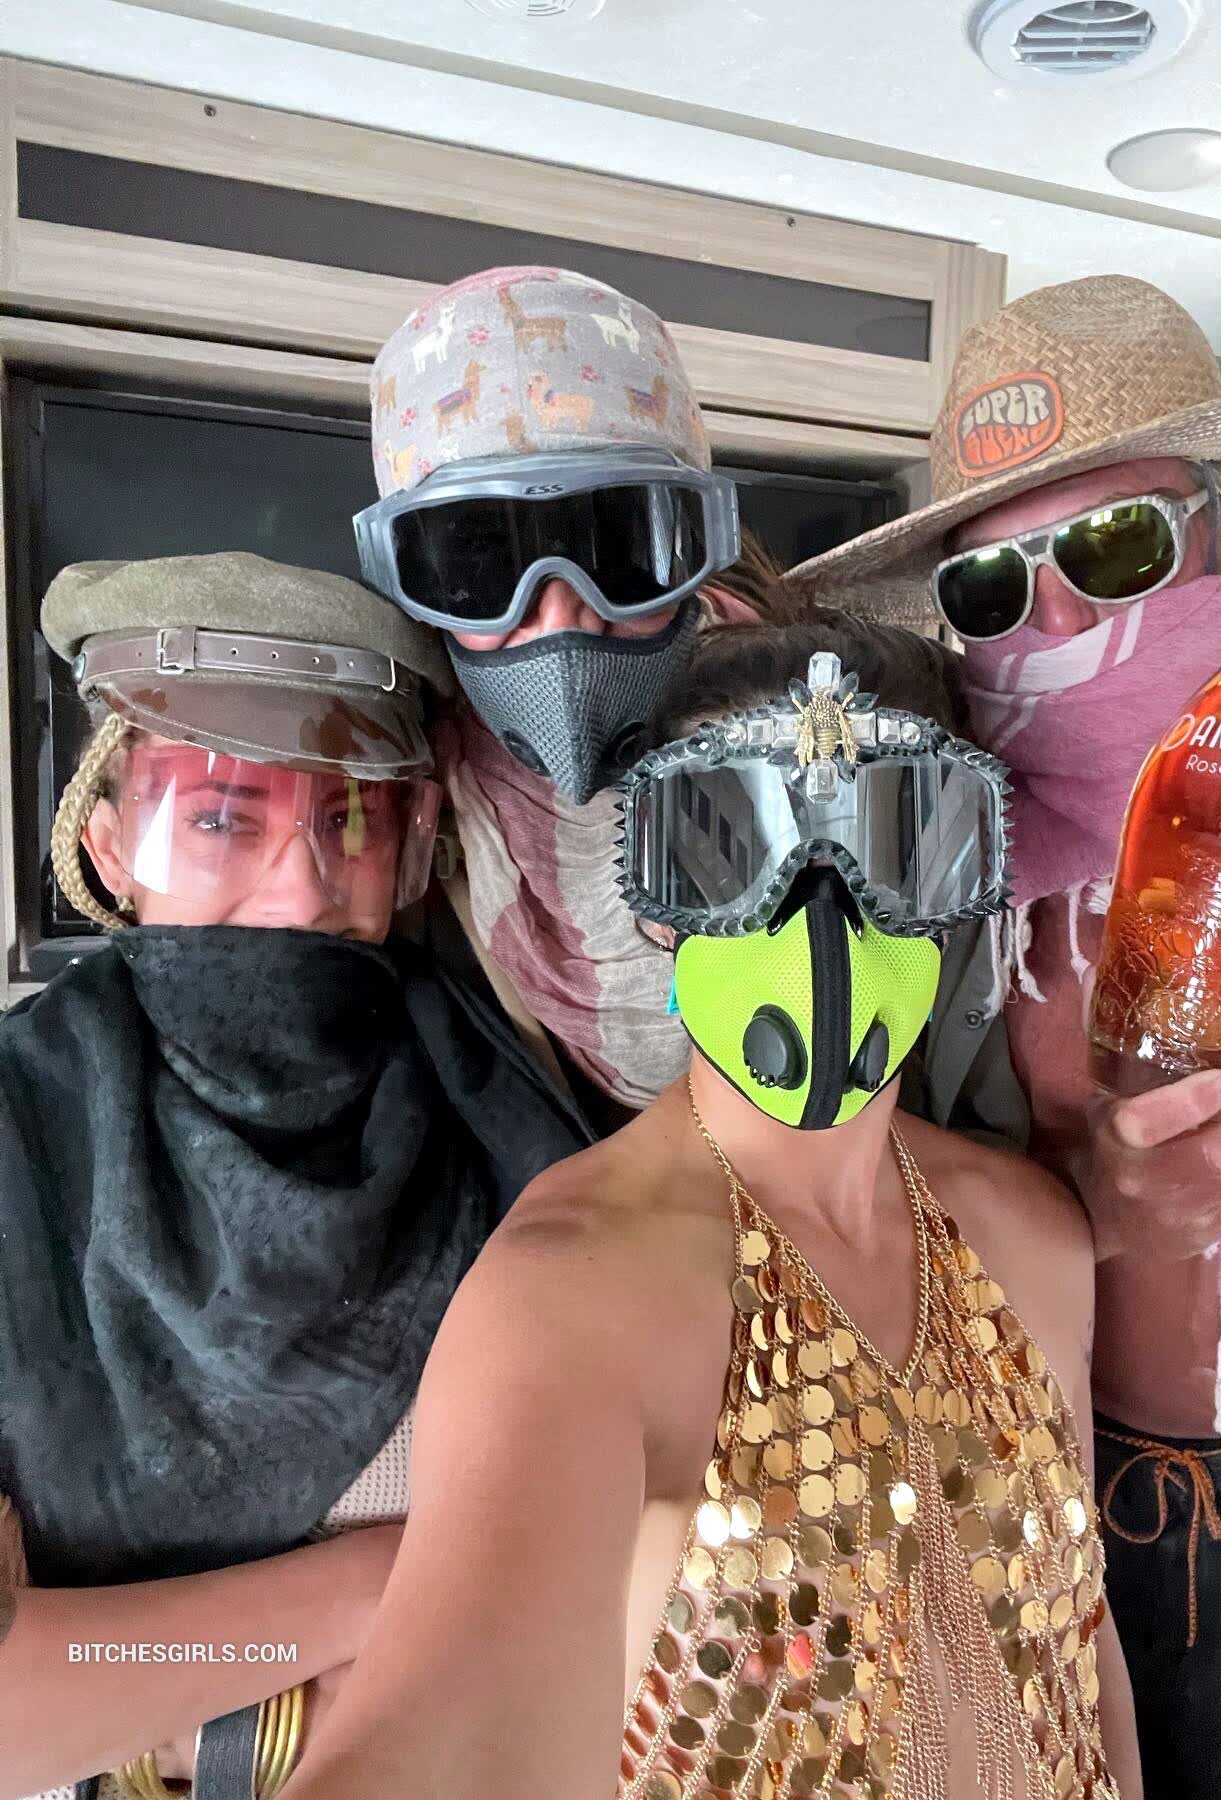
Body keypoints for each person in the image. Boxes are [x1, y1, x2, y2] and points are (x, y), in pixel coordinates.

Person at [279, 615, 1144, 1800]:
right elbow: (439, 1725)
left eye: (897, 836)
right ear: (653, 894)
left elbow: (1081, 1652)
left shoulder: (1033, 1235)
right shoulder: (571, 1299)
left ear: (965, 879)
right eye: (731, 843)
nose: (819, 909)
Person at [784, 275, 1221, 1799]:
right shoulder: (933, 864)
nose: (1060, 615)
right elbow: (859, 1210)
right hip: (1009, 1498)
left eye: (1115, 546)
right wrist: (1100, 1201)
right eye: (991, 589)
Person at [0, 553, 588, 1800]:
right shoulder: (16, 1139)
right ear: (109, 846)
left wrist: (160, 1688)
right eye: (221, 820)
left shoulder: (508, 1102)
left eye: (350, 822)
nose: (302, 887)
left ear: (413, 844)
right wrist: (380, 1590)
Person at [355, 265, 793, 1128]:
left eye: (619, 548)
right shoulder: (407, 791)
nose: (561, 618)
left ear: (696, 543)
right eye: (482, 565)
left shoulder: (834, 728)